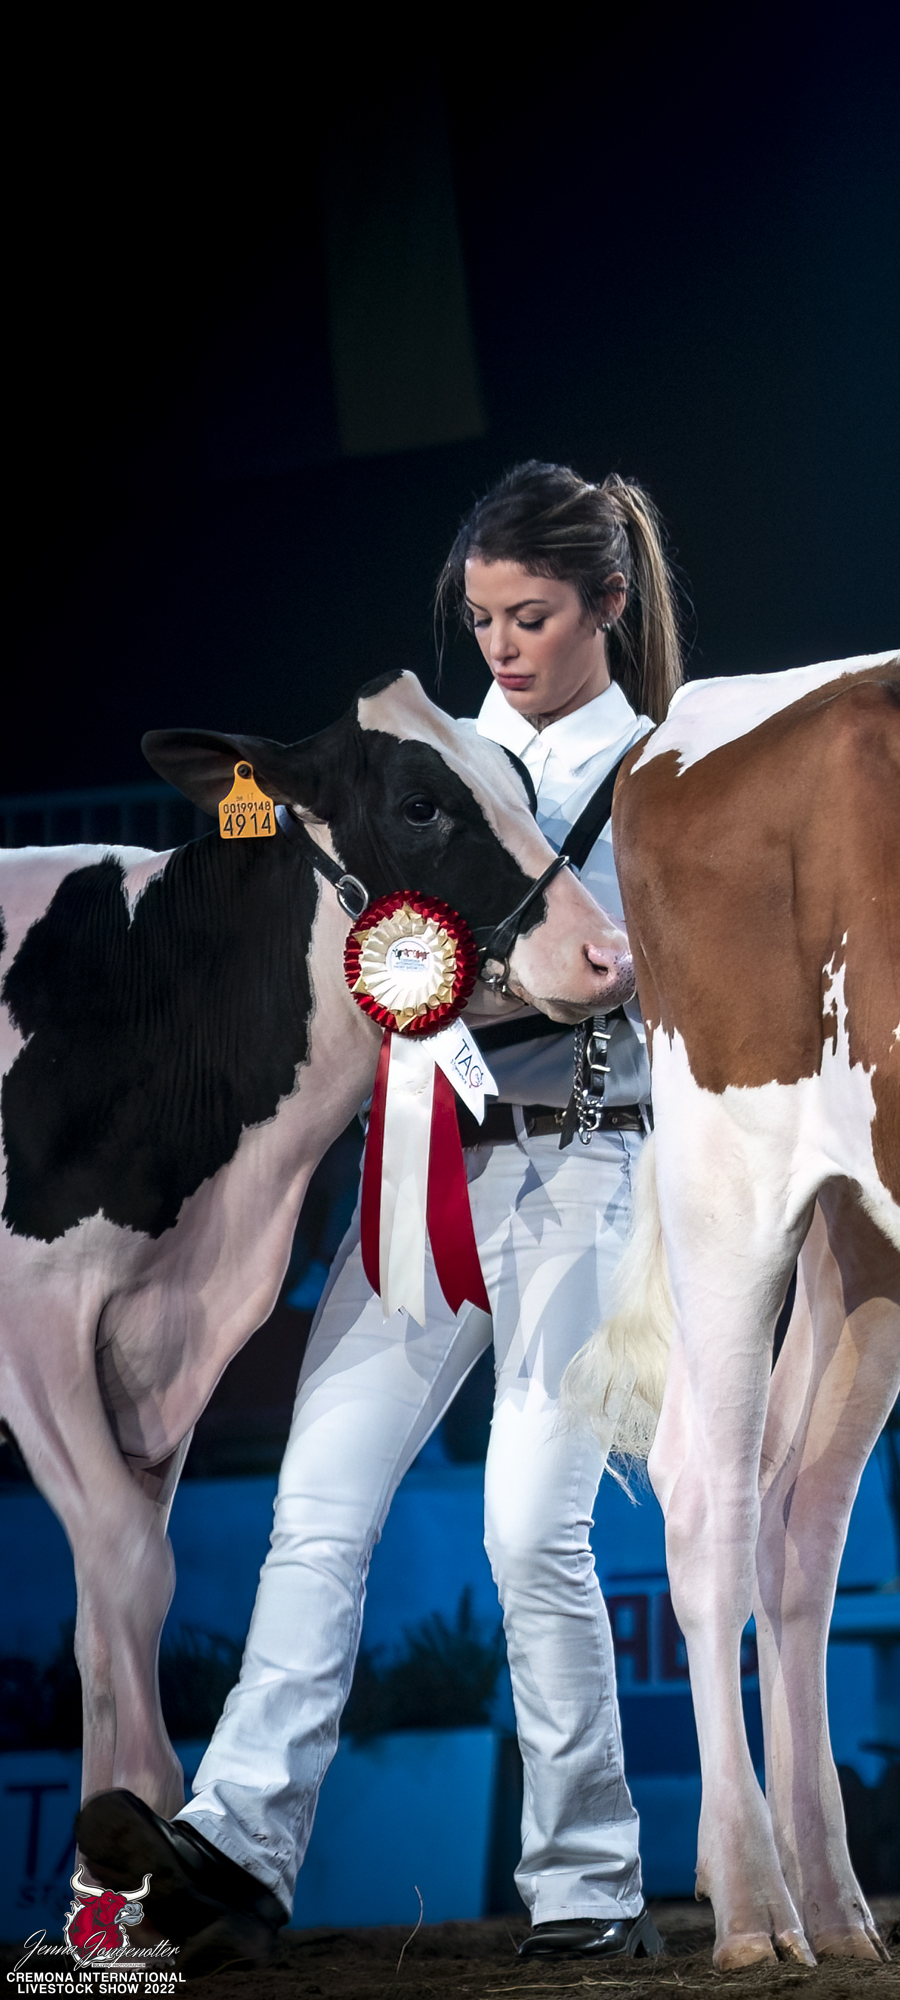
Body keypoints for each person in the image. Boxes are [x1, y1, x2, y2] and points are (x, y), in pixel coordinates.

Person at [76, 465, 679, 1966]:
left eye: (531, 616)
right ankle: (237, 1848)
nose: (503, 647)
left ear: (608, 603)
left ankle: (587, 1881)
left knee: (531, 1527)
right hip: (427, 1166)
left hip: (594, 1168)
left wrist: (463, 975)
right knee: (318, 1506)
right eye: (481, 619)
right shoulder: (430, 761)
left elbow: (634, 976)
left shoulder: (667, 767)